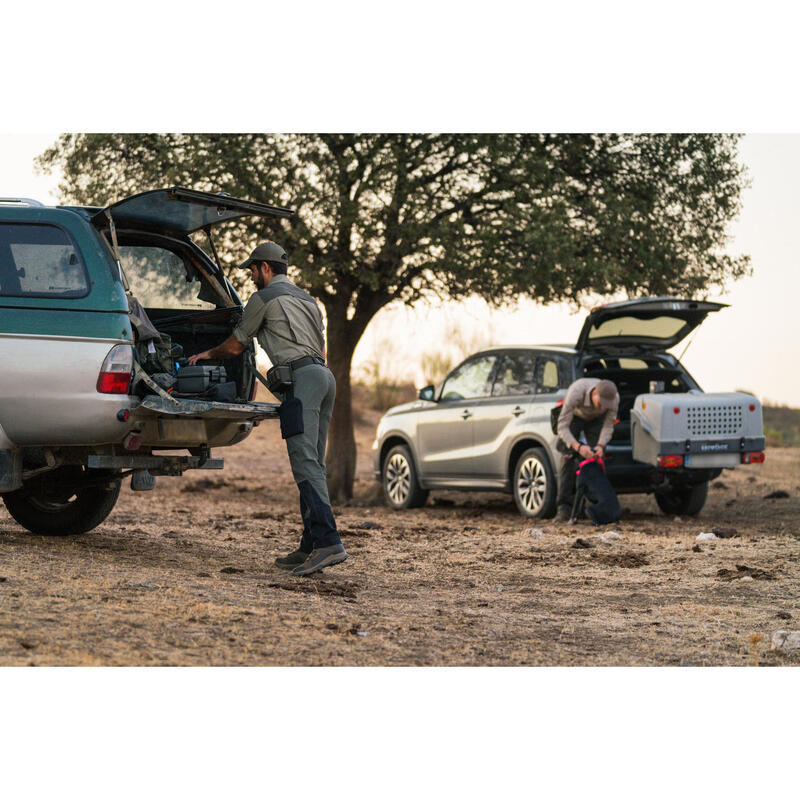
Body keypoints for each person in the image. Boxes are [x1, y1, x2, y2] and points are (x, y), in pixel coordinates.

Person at [188, 241, 347, 576]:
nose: (250, 277)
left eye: (252, 270)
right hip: (324, 378)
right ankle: (310, 544)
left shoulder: (262, 299)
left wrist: (206, 355)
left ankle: (329, 542)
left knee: (305, 464)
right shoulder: (309, 300)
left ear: (265, 268)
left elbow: (235, 345)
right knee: (315, 463)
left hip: (302, 382)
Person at [555, 377, 619, 522]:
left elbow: (608, 426)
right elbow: (562, 426)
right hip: (574, 418)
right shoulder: (576, 392)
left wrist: (601, 445)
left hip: (596, 421)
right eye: (601, 404)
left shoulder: (614, 399)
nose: (603, 408)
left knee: (597, 459)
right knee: (568, 459)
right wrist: (577, 446)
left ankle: (596, 507)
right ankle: (563, 508)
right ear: (594, 393)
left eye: (606, 406)